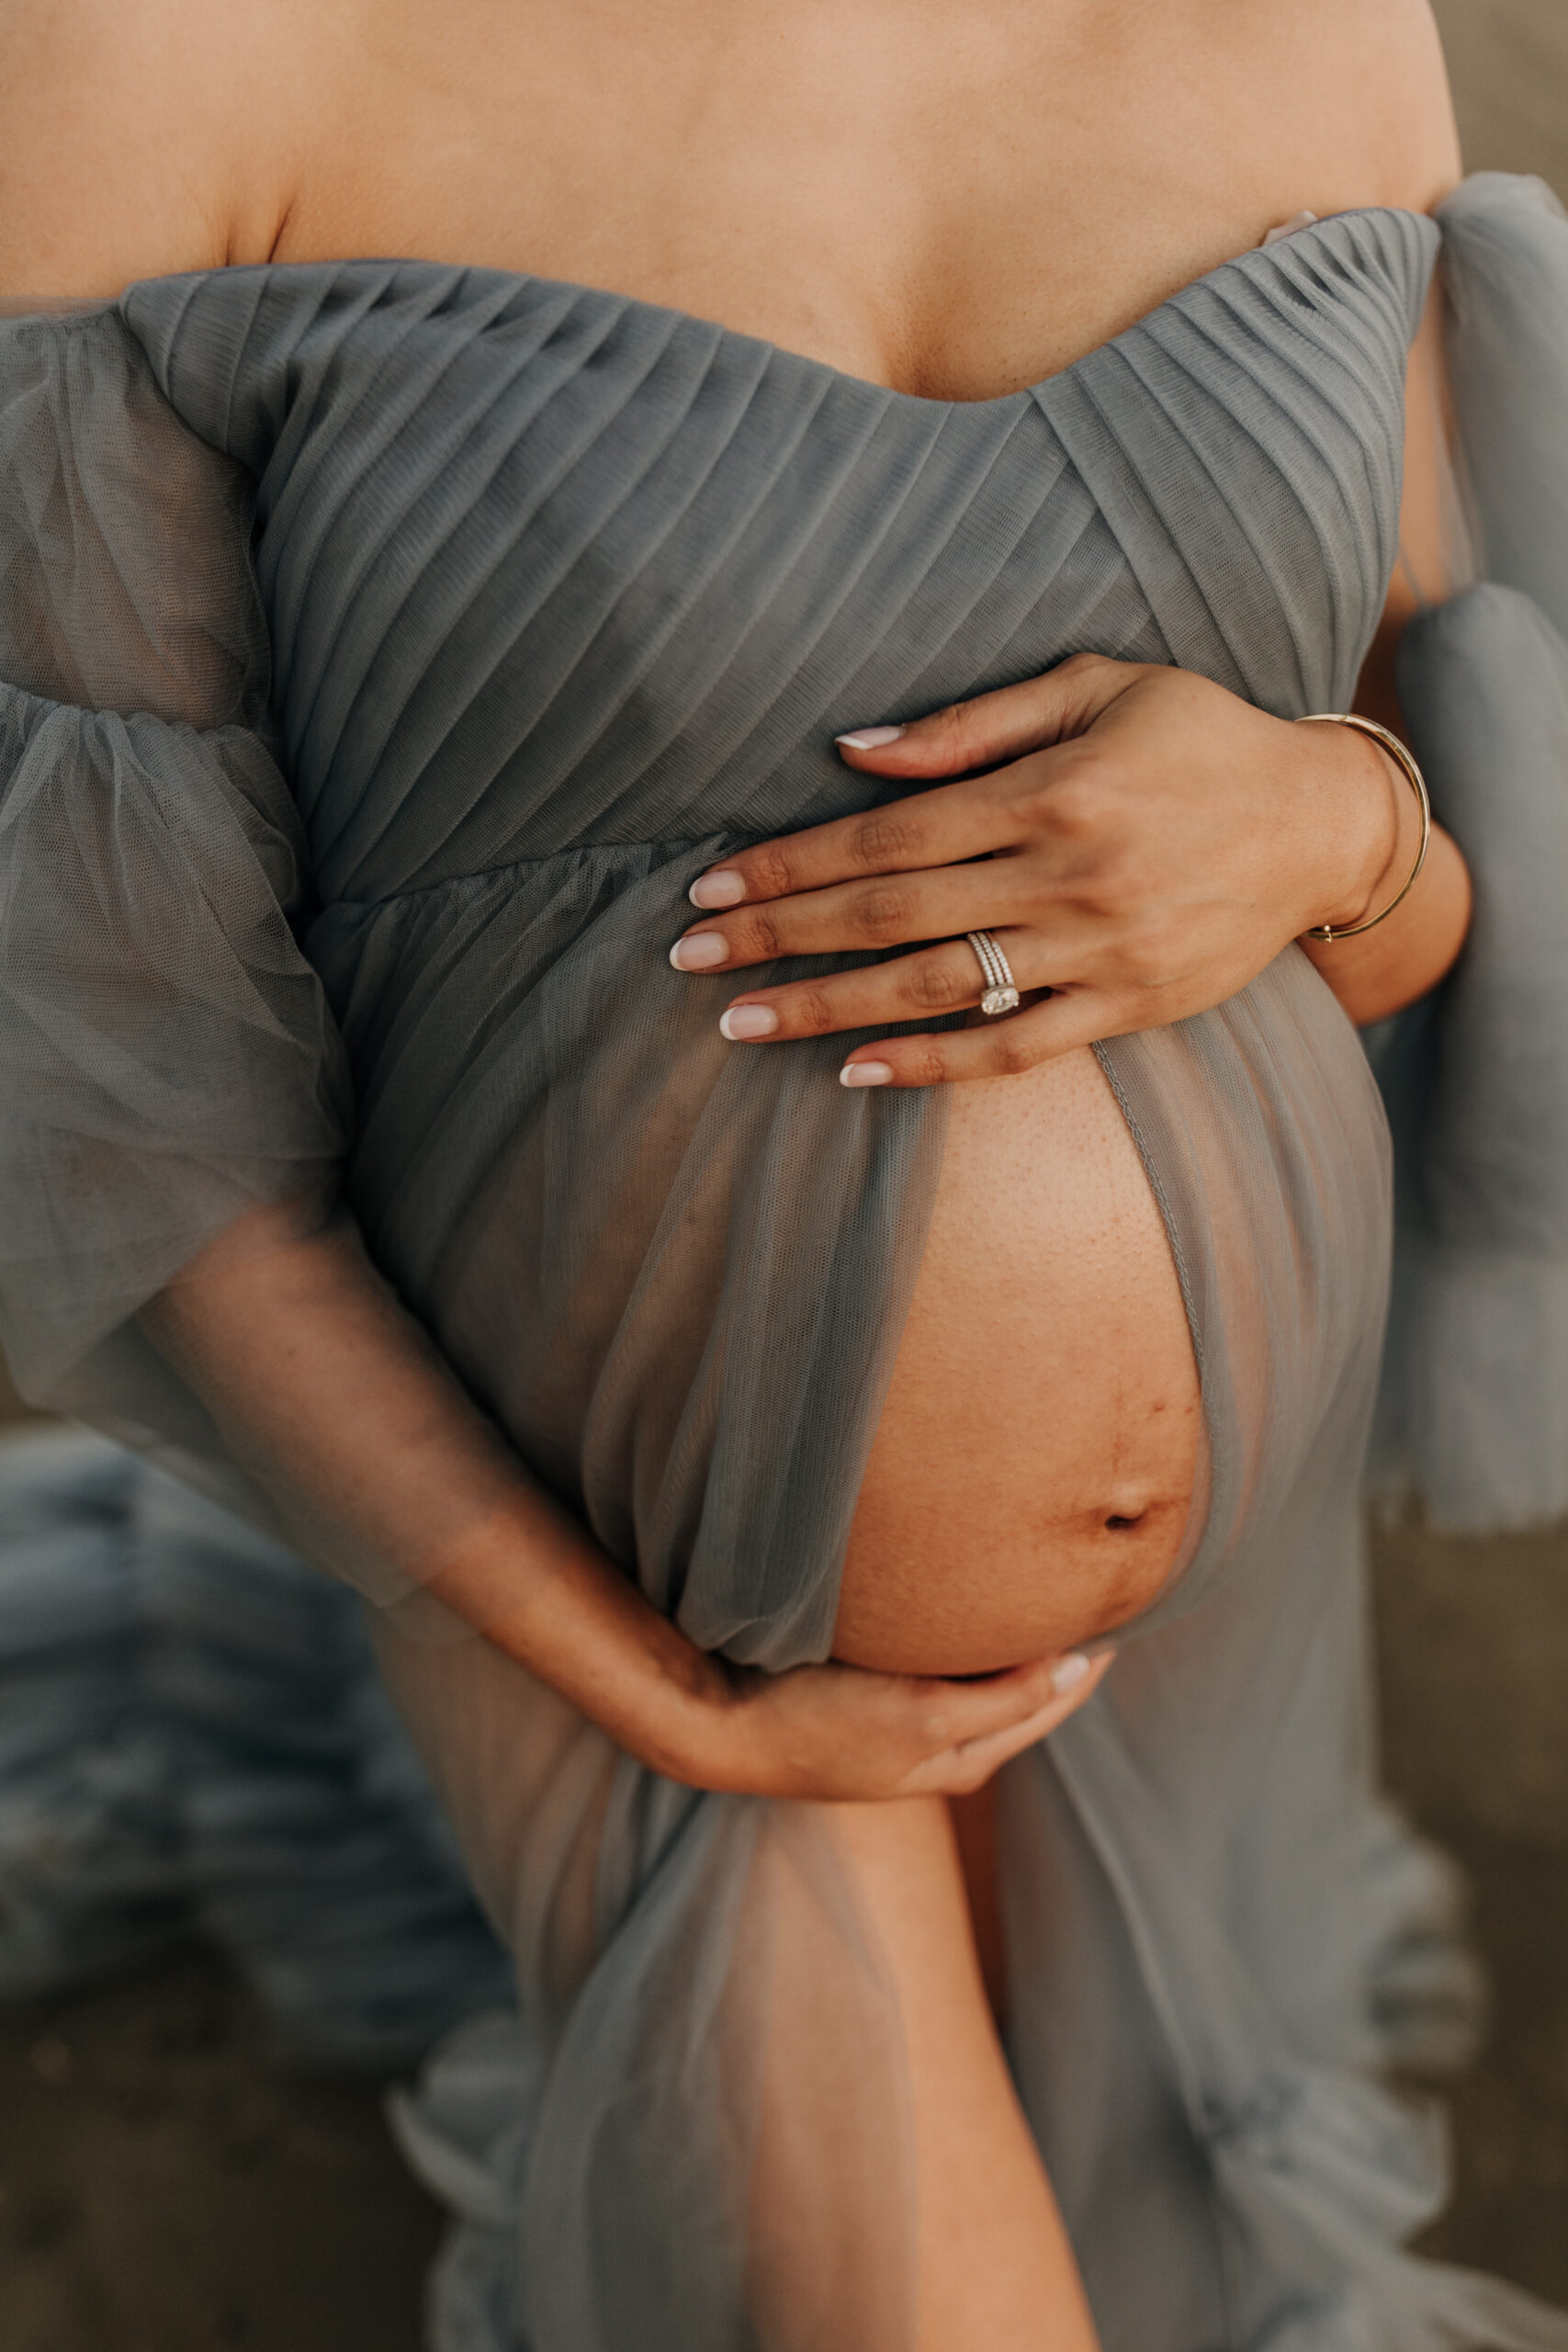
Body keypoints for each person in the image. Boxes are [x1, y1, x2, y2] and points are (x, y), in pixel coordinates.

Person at [2, 1, 1568, 2345]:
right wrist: (625, 1672)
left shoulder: (1314, 24)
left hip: (1200, 1577)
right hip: (598, 1546)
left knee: (1154, 2209)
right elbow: (117, 1068)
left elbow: (1425, 935)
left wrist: (1333, 821)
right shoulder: (160, 53)